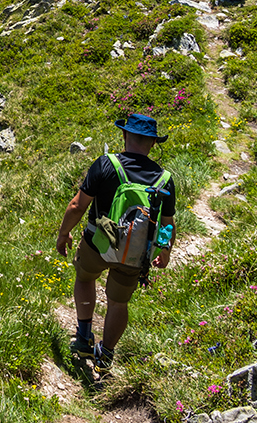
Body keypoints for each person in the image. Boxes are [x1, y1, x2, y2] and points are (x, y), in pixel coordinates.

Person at [56, 114, 177, 377]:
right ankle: (106, 354)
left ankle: (84, 336)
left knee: (85, 277)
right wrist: (165, 250)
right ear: (153, 144)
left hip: (97, 245)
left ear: (124, 136)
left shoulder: (105, 164)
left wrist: (64, 233)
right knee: (118, 303)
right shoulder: (165, 179)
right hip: (133, 254)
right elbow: (167, 223)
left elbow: (78, 205)